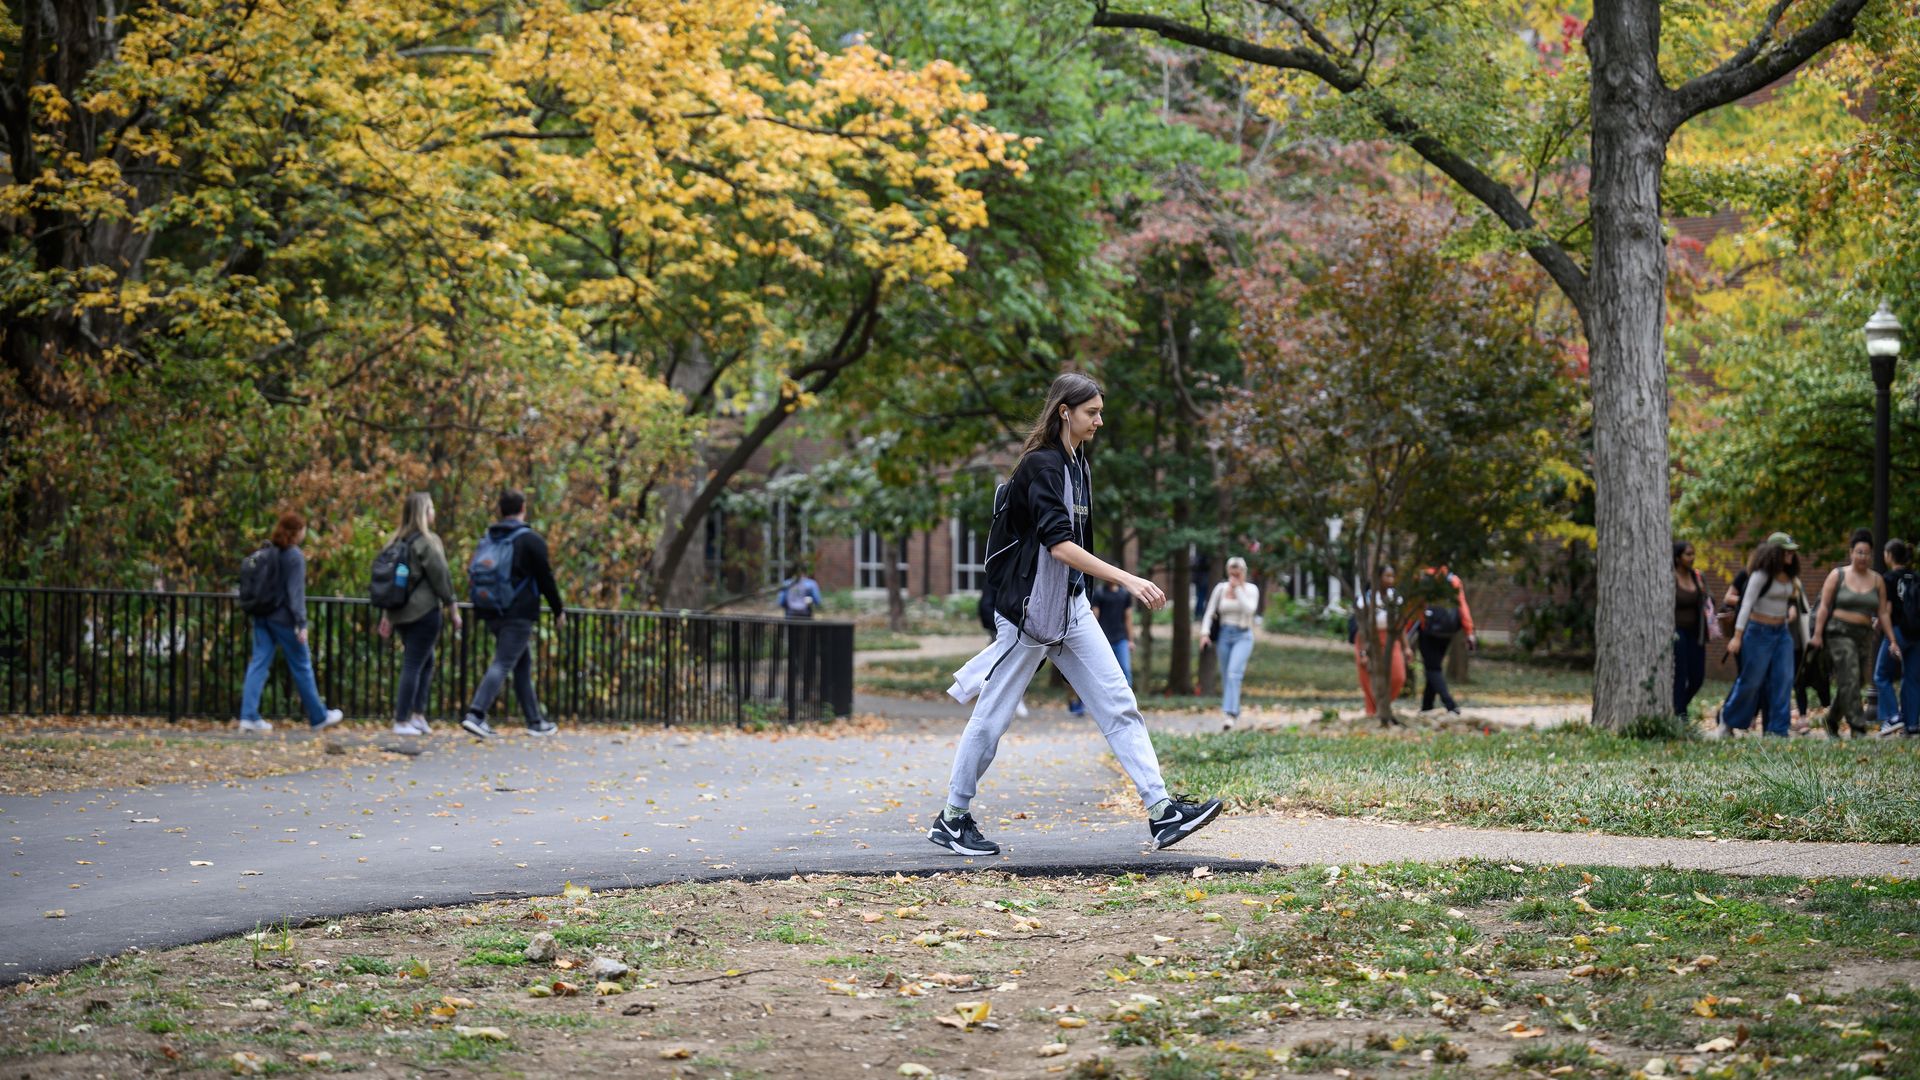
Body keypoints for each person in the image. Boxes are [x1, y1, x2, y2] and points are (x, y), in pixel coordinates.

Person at [934, 372, 1222, 855]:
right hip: (1029, 614)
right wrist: (1126, 578)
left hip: (1070, 610)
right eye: (1092, 413)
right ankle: (952, 817)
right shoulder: (1043, 466)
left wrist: (1085, 592)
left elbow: (1075, 547)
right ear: (1065, 411)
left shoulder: (1078, 465)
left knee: (1118, 703)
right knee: (992, 716)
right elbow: (1060, 544)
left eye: (1101, 412)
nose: (1099, 421)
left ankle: (1162, 811)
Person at [459, 490, 567, 740]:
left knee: (521, 664)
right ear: (523, 508)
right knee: (504, 662)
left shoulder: (490, 538)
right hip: (519, 613)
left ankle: (535, 721)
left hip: (492, 609)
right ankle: (476, 714)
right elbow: (546, 579)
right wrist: (558, 610)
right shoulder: (530, 540)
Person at [238, 511, 344, 733]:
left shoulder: (270, 551)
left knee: (258, 663)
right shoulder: (293, 556)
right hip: (284, 619)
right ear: (297, 532)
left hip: (262, 615)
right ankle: (318, 716)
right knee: (301, 666)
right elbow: (296, 593)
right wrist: (301, 623)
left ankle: (248, 716)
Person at [376, 492, 461, 736]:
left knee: (426, 661)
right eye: (431, 509)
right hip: (424, 611)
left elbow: (389, 583)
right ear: (424, 513)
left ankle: (418, 715)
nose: (434, 513)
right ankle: (403, 719)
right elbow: (441, 577)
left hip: (400, 613)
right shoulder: (428, 541)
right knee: (414, 663)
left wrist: (387, 616)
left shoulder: (395, 541)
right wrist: (452, 608)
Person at [1810, 528, 1902, 739]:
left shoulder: (1877, 580)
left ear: (1871, 555)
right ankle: (1858, 728)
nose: (1862, 557)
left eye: (1866, 553)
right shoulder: (1838, 575)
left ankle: (1831, 719)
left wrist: (1893, 640)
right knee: (1849, 676)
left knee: (1855, 681)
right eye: (1858, 552)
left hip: (1864, 635)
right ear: (1851, 552)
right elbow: (1823, 607)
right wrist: (1817, 634)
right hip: (1838, 633)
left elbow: (1882, 613)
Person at [1716, 538, 1801, 737]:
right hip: (1758, 632)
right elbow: (1745, 605)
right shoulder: (1760, 575)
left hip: (1781, 633)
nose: (1790, 555)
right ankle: (1727, 719)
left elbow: (1788, 601)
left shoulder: (1789, 576)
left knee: (1784, 679)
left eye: (1792, 552)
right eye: (1786, 551)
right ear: (1774, 553)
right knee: (1751, 680)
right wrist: (1737, 636)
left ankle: (1778, 730)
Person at [1199, 557, 1260, 730]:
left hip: (1243, 635)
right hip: (1225, 635)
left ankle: (1230, 714)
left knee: (1234, 673)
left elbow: (1250, 609)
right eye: (1231, 573)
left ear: (1243, 573)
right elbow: (1210, 611)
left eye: (1237, 573)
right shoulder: (1220, 589)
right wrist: (1204, 633)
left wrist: (1238, 589)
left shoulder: (1251, 589)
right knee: (1227, 675)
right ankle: (1233, 711)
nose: (1234, 576)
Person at [1412, 564, 1475, 718]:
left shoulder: (1422, 577)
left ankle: (1450, 705)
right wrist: (1469, 630)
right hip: (1447, 632)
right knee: (1433, 667)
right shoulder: (1453, 579)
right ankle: (1426, 707)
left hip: (1428, 629)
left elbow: (1413, 605)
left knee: (1432, 669)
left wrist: (1406, 629)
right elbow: (1462, 605)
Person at [1874, 538, 1920, 737]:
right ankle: (1912, 724)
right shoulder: (1916, 577)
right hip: (1917, 635)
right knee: (1912, 679)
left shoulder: (1889, 578)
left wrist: (1891, 639)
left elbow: (1887, 610)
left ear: (1889, 555)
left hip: (1898, 631)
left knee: (1881, 675)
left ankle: (1893, 716)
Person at [1352, 566, 1408, 721]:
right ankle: (1373, 712)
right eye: (1387, 576)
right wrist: (1363, 652)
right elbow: (1362, 628)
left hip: (1391, 638)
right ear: (1377, 578)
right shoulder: (1366, 599)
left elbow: (1400, 624)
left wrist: (1406, 647)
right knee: (1369, 677)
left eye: (1392, 576)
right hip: (1369, 639)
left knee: (1398, 677)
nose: (1391, 580)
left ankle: (1383, 705)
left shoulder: (1395, 597)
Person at [1672, 541, 1718, 723]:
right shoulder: (1670, 577)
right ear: (1677, 557)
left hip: (1696, 632)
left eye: (1693, 554)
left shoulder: (1698, 576)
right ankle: (1680, 715)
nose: (1692, 558)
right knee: (1681, 674)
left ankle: (1678, 706)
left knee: (1697, 677)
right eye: (1688, 554)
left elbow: (1709, 599)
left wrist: (1707, 595)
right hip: (1677, 632)